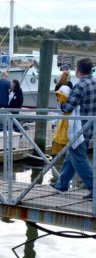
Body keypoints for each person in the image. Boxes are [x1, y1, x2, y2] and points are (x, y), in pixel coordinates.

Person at [52, 57, 96, 199]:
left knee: (79, 158)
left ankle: (93, 188)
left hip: (79, 129)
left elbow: (68, 107)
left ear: (78, 69)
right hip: (91, 126)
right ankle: (62, 184)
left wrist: (60, 103)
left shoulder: (80, 85)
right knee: (72, 155)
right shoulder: (95, 82)